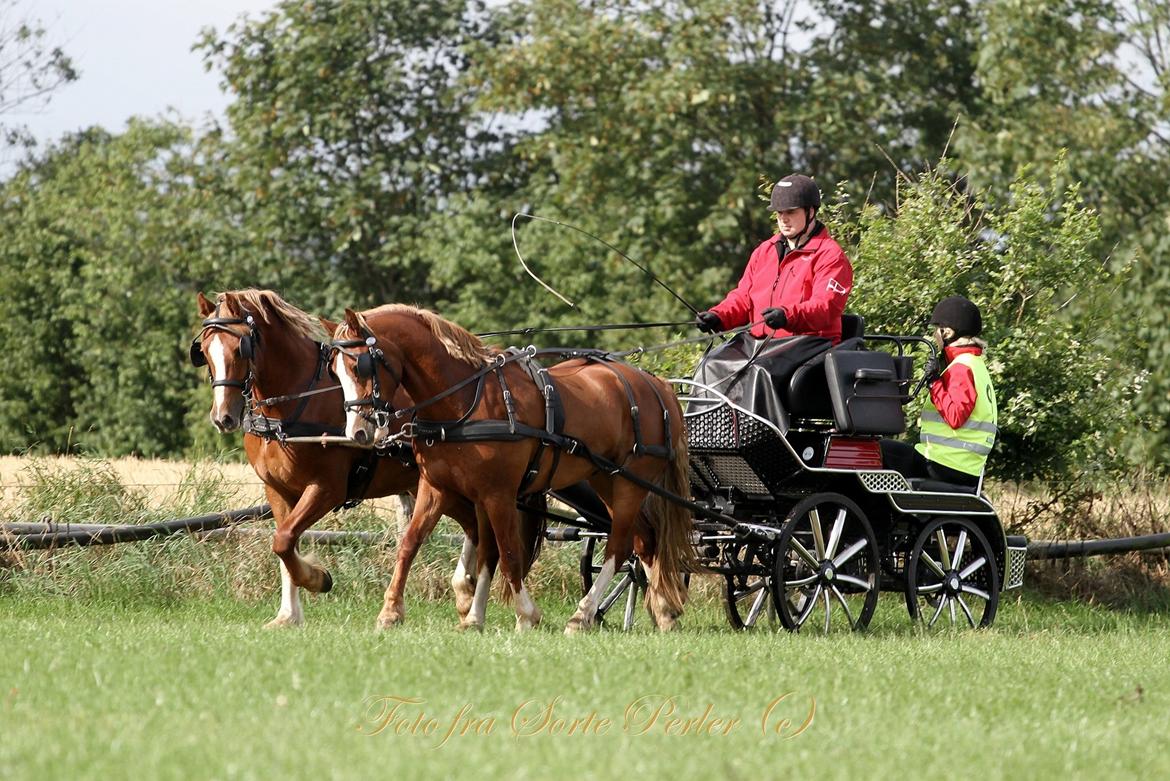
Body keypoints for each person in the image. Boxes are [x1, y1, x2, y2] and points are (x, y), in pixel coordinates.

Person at [694, 173, 854, 343]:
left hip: (809, 343)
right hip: (761, 344)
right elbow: (744, 297)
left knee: (758, 370)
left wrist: (787, 316)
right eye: (779, 212)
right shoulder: (764, 251)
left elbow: (825, 307)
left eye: (791, 212)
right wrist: (719, 316)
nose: (783, 219)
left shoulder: (830, 256)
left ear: (811, 212)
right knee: (711, 365)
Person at [880, 296, 998, 489]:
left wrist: (935, 383)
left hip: (946, 463)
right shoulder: (974, 364)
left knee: (877, 451)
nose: (934, 335)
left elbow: (955, 416)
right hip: (959, 464)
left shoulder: (962, 368)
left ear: (947, 332)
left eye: (936, 330)